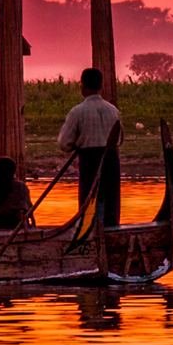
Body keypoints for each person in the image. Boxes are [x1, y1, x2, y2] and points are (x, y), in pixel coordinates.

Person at [58, 68, 122, 228]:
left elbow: (64, 144)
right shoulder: (113, 110)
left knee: (89, 203)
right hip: (111, 162)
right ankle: (110, 233)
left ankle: (91, 236)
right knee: (111, 204)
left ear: (83, 86)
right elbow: (119, 140)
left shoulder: (77, 112)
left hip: (90, 162)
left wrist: (78, 142)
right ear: (100, 85)